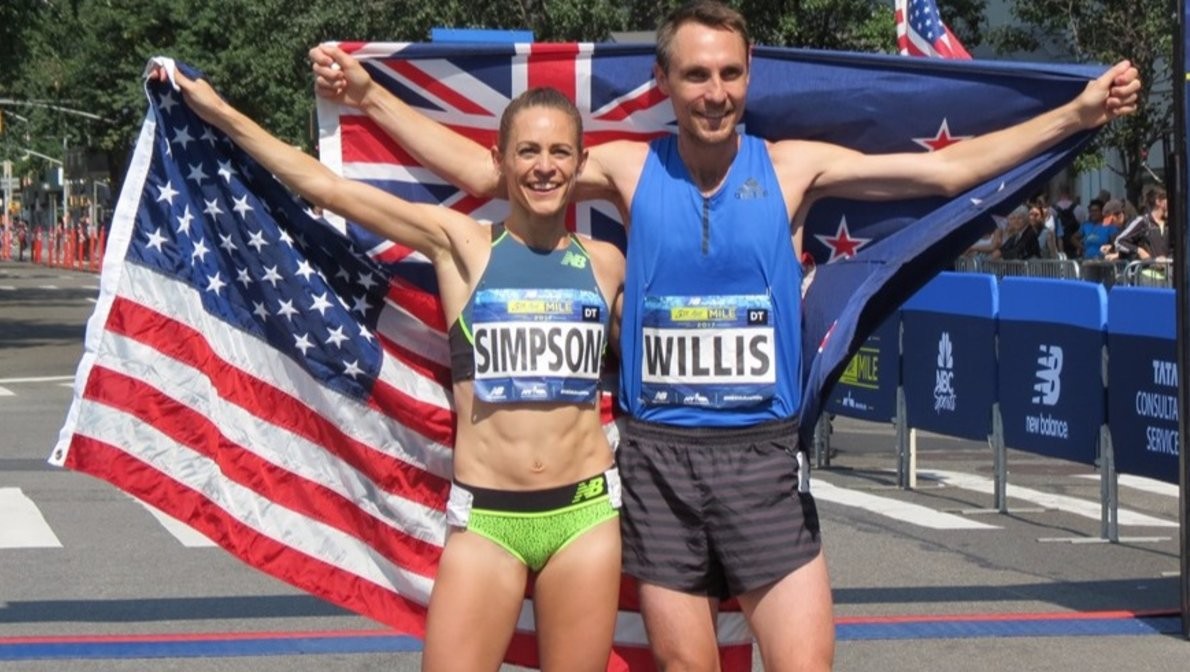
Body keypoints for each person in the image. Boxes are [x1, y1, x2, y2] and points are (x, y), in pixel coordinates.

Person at [310, 2, 1140, 668]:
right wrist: (370, 98)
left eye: (730, 74)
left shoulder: (790, 166)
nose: (715, 92)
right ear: (665, 82)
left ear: (749, 77)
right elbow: (487, 173)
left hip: (761, 457)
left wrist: (1074, 114)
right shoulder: (631, 166)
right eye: (697, 74)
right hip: (660, 461)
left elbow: (948, 169)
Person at [150, 63, 626, 671]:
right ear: (500, 161)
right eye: (528, 151)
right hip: (489, 520)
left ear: (580, 165)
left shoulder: (607, 263)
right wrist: (218, 111)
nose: (544, 166)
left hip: (584, 514)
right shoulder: (462, 244)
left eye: (560, 152)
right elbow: (329, 190)